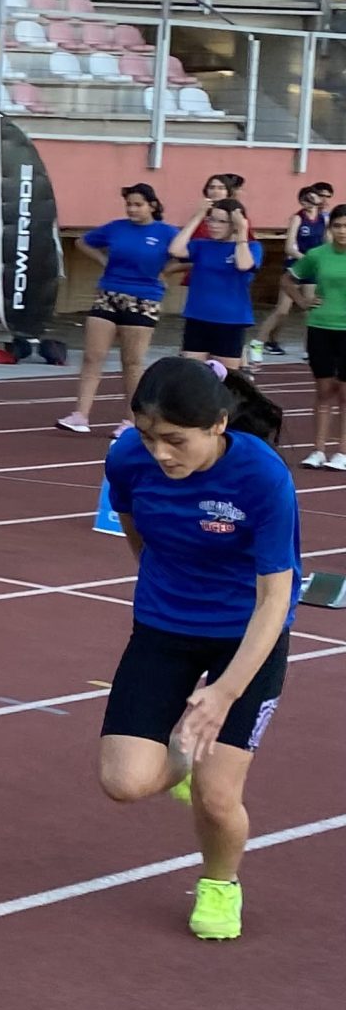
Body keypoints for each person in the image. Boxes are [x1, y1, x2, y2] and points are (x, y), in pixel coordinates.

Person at [96, 357, 297, 941]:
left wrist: (223, 692)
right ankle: (181, 757)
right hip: (165, 623)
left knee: (216, 797)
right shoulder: (127, 458)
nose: (160, 453)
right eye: (148, 436)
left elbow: (274, 599)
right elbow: (139, 535)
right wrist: (168, 593)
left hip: (246, 630)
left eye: (175, 440)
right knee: (125, 783)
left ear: (218, 425)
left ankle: (219, 882)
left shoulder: (262, 476)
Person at [59, 183, 176, 434]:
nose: (132, 209)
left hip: (143, 298)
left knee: (132, 362)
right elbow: (83, 242)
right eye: (129, 204)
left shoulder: (167, 233)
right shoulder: (116, 228)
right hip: (109, 293)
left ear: (152, 206)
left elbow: (189, 257)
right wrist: (102, 259)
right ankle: (80, 414)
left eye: (138, 205)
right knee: (92, 356)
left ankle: (133, 420)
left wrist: (165, 272)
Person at [167, 198, 259, 366]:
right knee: (191, 373)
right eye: (211, 220)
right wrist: (198, 216)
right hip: (198, 317)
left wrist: (241, 233)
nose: (214, 225)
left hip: (231, 321)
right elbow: (175, 249)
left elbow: (244, 264)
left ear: (235, 224)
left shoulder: (251, 247)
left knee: (227, 378)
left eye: (222, 221)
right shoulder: (202, 245)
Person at [291, 216, 346, 469]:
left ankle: (342, 452)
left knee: (345, 393)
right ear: (330, 228)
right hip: (320, 327)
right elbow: (287, 279)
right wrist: (302, 302)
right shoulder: (317, 254)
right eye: (337, 226)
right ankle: (318, 450)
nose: (342, 231)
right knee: (324, 391)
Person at [254, 185, 329, 362]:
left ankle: (309, 349)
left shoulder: (323, 220)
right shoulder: (297, 218)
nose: (310, 203)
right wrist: (307, 259)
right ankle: (258, 342)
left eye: (314, 199)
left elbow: (327, 241)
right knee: (282, 310)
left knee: (310, 309)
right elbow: (289, 247)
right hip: (295, 266)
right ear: (301, 201)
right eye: (306, 200)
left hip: (313, 269)